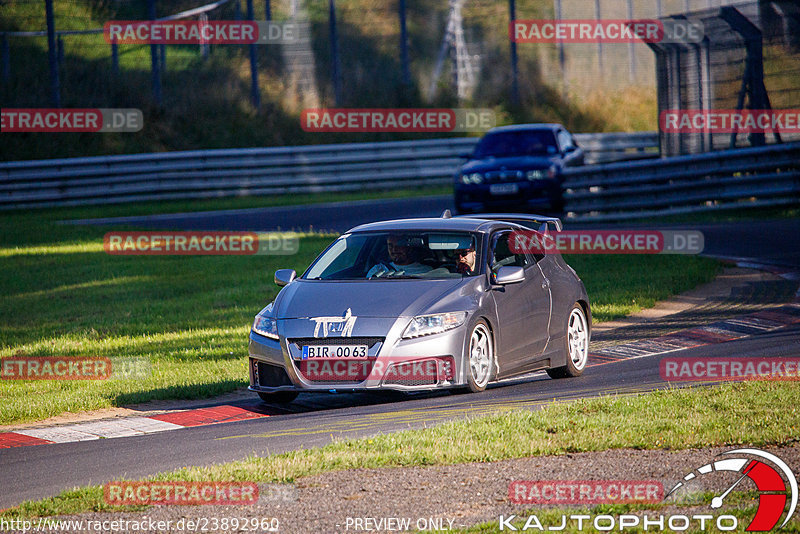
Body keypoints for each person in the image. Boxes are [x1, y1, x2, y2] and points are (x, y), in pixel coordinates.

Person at [367, 235, 433, 278]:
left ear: (409, 248)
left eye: (399, 246)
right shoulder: (378, 270)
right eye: (390, 246)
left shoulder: (426, 271)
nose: (394, 250)